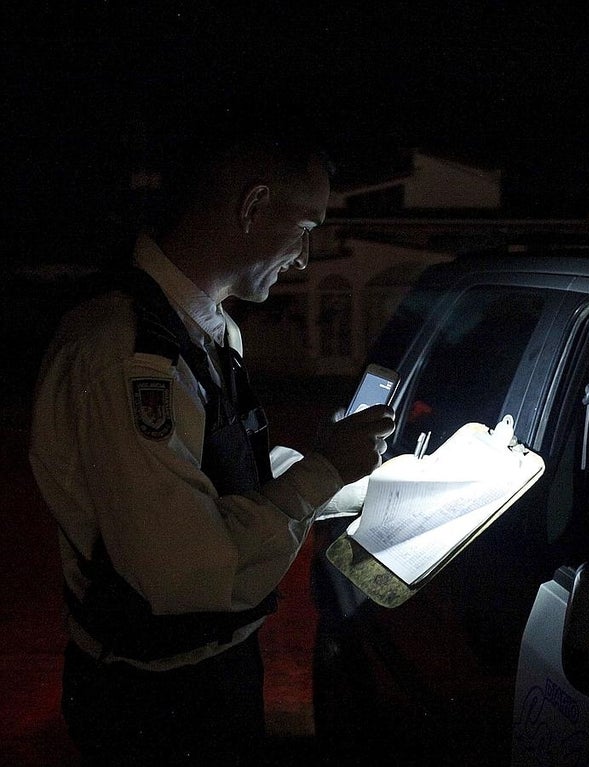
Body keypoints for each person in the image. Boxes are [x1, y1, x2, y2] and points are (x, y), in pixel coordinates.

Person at [28, 101, 394, 765]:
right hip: (155, 702)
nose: (304, 258)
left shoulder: (204, 327)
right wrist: (322, 471)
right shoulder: (126, 354)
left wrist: (349, 475)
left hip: (209, 674)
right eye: (303, 228)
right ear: (253, 206)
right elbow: (190, 573)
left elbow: (223, 474)